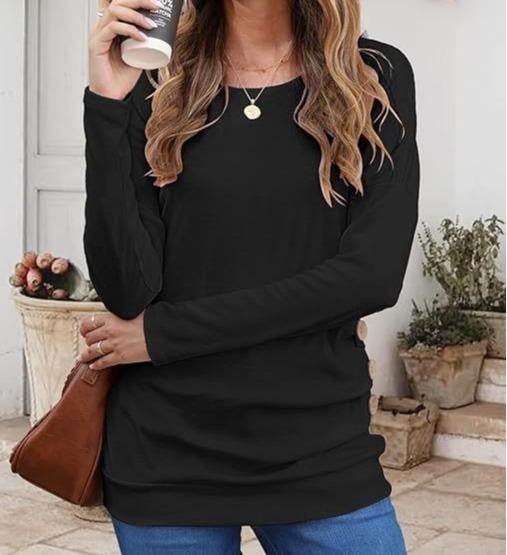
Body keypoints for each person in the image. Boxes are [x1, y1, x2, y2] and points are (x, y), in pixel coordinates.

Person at [79, 0, 419, 552]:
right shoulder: (157, 78)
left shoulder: (371, 75)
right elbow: (127, 289)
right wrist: (106, 104)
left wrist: (165, 335)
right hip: (167, 457)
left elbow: (371, 277)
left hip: (318, 448)